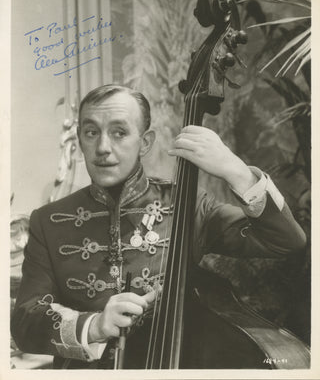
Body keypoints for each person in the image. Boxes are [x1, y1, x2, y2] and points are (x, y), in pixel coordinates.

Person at [11, 84, 306, 369]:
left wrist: (237, 172)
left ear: (146, 142)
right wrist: (95, 326)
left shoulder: (188, 204)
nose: (102, 147)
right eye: (91, 133)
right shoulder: (47, 220)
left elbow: (286, 241)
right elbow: (25, 321)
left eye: (119, 133)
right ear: (79, 138)